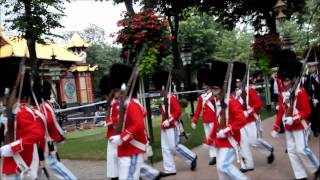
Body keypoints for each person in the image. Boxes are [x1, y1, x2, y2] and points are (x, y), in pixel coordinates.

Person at [271, 50, 320, 180]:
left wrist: (294, 119)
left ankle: (316, 168)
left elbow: (307, 112)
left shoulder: (301, 93)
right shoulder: (284, 94)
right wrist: (277, 125)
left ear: (292, 79)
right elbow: (281, 110)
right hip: (288, 127)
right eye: (283, 80)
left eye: (286, 80)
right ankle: (300, 175)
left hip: (300, 126)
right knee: (292, 152)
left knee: (302, 150)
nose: (284, 83)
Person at [107, 64, 162, 180]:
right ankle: (154, 175)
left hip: (133, 150)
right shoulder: (123, 105)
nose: (115, 93)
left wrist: (121, 137)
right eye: (115, 90)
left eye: (117, 90)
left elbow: (139, 125)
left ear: (124, 88)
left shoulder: (132, 104)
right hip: (125, 150)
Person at [206, 61, 248, 180]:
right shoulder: (218, 102)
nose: (213, 91)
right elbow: (216, 122)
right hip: (220, 140)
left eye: (215, 89)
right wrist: (210, 139)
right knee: (220, 170)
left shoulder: (232, 102)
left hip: (230, 140)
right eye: (212, 89)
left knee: (224, 165)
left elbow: (242, 120)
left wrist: (227, 130)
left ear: (221, 88)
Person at [152, 70, 197, 177]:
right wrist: (164, 122)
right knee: (165, 148)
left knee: (174, 147)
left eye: (159, 89)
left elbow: (178, 111)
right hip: (165, 127)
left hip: (172, 126)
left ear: (163, 87)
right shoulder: (164, 99)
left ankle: (192, 157)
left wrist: (170, 120)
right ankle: (169, 169)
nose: (159, 91)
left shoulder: (171, 98)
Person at [0, 73, 45, 179]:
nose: (1, 100)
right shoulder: (12, 112)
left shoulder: (22, 112)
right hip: (13, 165)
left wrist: (13, 147)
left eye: (3, 97)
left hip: (20, 166)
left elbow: (37, 134)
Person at [232, 62, 274, 173]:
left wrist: (249, 112)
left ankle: (269, 150)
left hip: (251, 120)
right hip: (240, 122)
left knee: (253, 141)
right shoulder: (233, 94)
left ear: (242, 80)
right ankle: (247, 165)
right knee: (243, 143)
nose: (236, 83)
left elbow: (259, 104)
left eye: (238, 80)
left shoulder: (249, 90)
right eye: (235, 81)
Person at [36, 80, 77, 180]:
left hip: (45, 143)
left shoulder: (44, 106)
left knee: (52, 164)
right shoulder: (45, 105)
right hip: (44, 143)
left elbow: (49, 123)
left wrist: (57, 137)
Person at [192, 67, 217, 165]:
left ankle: (219, 153)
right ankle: (213, 156)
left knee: (214, 137)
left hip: (214, 119)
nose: (204, 87)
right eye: (202, 85)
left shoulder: (213, 95)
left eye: (205, 85)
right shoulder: (202, 97)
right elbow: (198, 110)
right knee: (208, 138)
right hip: (206, 120)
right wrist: (194, 120)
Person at [302, 48, 320, 137]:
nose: (311, 68)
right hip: (311, 98)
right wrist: (309, 97)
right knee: (313, 114)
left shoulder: (318, 75)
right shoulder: (306, 77)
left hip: (318, 97)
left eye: (312, 66)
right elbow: (305, 88)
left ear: (316, 66)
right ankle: (314, 129)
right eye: (309, 67)